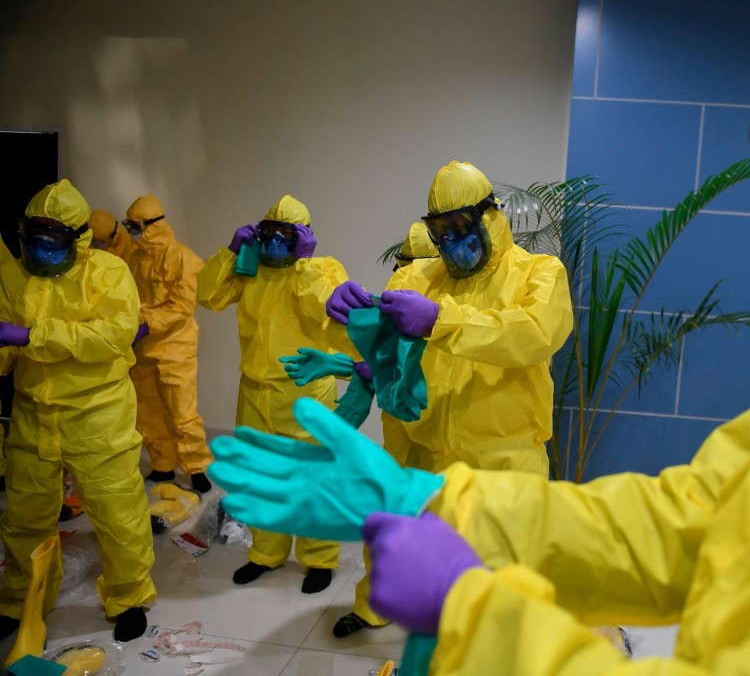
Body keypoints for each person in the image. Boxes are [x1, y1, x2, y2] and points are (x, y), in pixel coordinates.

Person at [209, 0, 750, 673]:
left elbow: (531, 335)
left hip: (504, 449)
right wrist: (433, 498)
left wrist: (480, 619)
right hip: (439, 451)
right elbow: (690, 521)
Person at [323, 161, 573, 637]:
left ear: (490, 216)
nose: (453, 242)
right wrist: (341, 314)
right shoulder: (419, 277)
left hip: (504, 460)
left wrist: (441, 321)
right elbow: (379, 343)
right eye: (441, 231)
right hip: (430, 454)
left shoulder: (539, 273)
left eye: (461, 226)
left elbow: (535, 333)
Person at [0, 180, 156, 643]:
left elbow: (111, 336)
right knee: (25, 516)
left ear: (79, 239)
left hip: (97, 411)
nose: (43, 252)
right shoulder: (15, 276)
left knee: (117, 511)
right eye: (35, 239)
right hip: (33, 412)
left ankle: (129, 596)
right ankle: (20, 602)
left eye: (55, 242)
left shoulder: (107, 272)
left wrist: (30, 337)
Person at [197, 194, 355, 594]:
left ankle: (319, 559)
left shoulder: (321, 270)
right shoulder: (250, 268)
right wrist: (231, 252)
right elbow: (209, 295)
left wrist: (302, 264)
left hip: (305, 391)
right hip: (254, 389)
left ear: (304, 237)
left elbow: (326, 309)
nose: (277, 244)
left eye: (287, 236)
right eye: (270, 234)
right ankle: (266, 554)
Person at [122, 195, 212, 493]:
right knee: (147, 410)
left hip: (176, 345)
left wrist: (146, 322)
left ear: (155, 224)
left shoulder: (185, 258)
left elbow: (183, 306)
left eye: (136, 225)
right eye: (129, 225)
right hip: (144, 345)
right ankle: (163, 465)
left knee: (182, 411)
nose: (133, 231)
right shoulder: (135, 258)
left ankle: (197, 467)